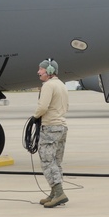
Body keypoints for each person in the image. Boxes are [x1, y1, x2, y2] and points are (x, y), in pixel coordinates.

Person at [34, 58, 70, 208]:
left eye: (41, 69)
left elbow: (43, 107)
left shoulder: (48, 85)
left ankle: (59, 193)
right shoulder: (61, 85)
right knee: (56, 161)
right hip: (61, 127)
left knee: (48, 161)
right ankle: (54, 193)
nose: (38, 72)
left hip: (50, 127)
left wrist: (34, 116)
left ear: (49, 71)